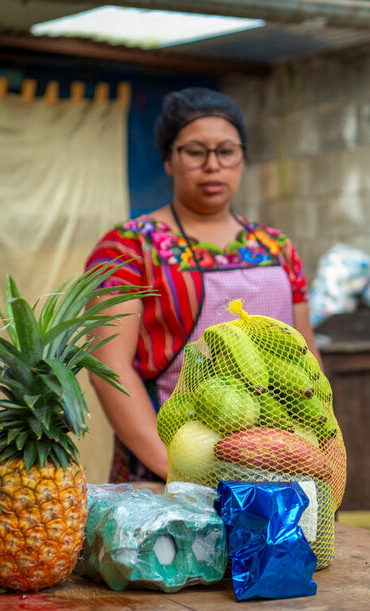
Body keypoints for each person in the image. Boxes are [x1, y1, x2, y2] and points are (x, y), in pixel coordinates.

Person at [85, 87, 319, 483]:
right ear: (168, 159)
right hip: (169, 467)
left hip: (278, 466)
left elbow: (306, 359)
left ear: (242, 157)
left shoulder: (277, 248)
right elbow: (110, 367)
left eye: (226, 151)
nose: (213, 166)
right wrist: (176, 471)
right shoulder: (130, 247)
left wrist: (316, 452)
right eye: (195, 152)